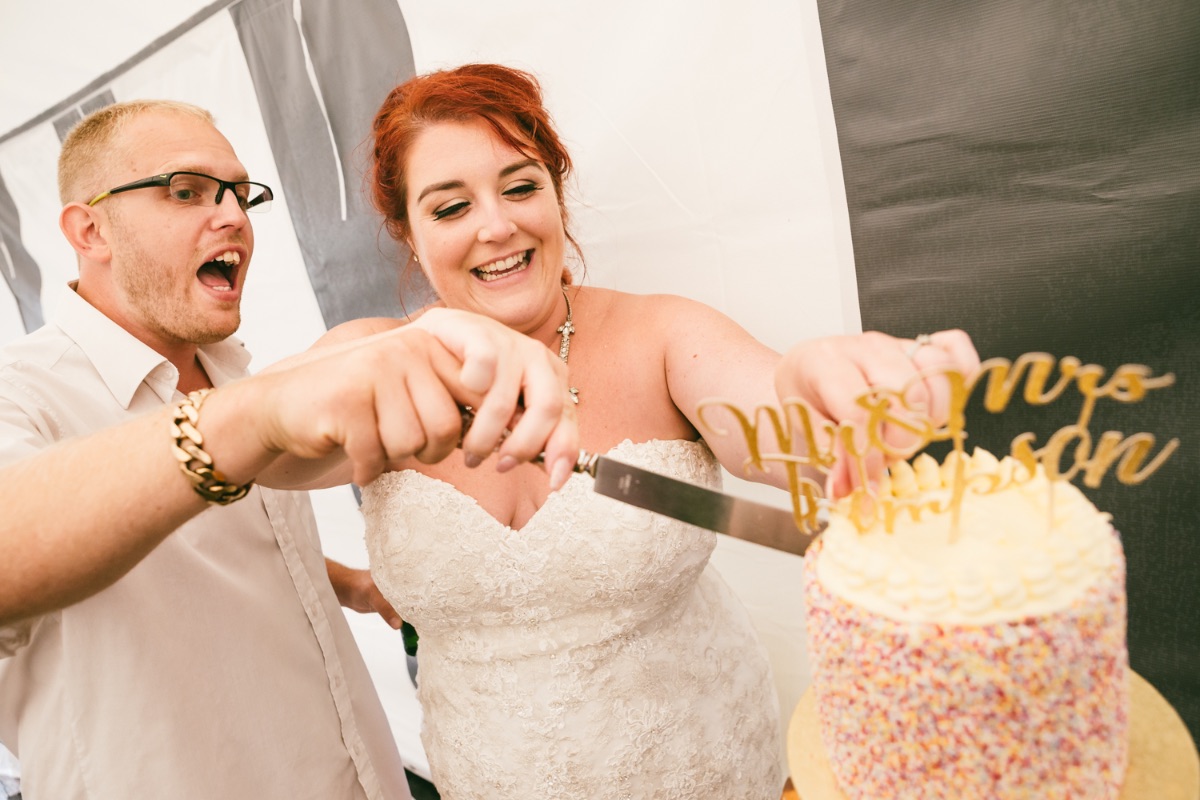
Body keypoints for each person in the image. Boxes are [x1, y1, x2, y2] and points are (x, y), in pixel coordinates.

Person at [309, 64, 981, 799]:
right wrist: (351, 583)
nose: (496, 226)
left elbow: (785, 427)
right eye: (450, 207)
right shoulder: (369, 359)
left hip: (709, 768)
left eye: (521, 187)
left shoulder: (661, 335)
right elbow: (258, 470)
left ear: (557, 194)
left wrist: (834, 397)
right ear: (408, 233)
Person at [0, 99, 579, 799]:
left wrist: (351, 585)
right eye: (186, 191)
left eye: (239, 193)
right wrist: (248, 420)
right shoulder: (21, 391)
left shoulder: (231, 369)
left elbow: (215, 547)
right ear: (90, 229)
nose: (232, 216)